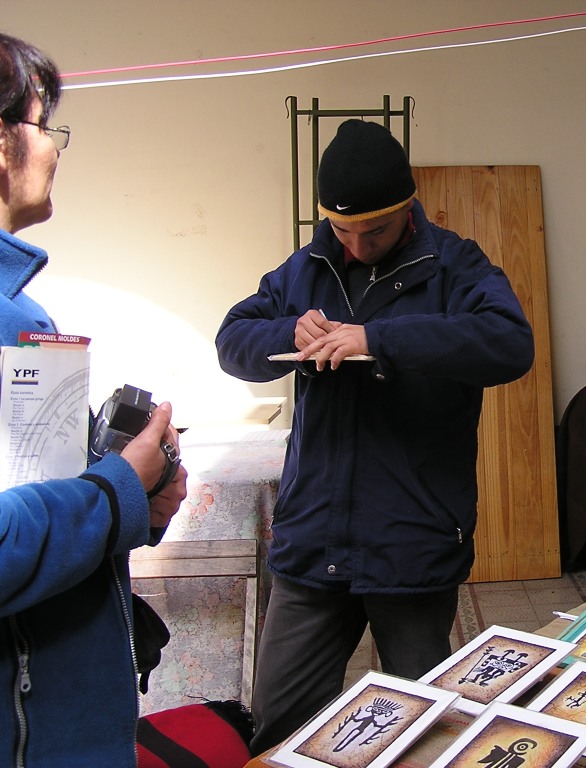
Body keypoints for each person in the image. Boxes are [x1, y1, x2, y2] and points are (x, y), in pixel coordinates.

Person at [216, 118, 534, 753]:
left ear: (408, 208)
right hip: (312, 540)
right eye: (342, 231)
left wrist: (380, 338)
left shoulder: (454, 265)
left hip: (411, 539)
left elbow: (509, 343)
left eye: (376, 231)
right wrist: (287, 333)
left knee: (421, 736)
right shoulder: (304, 269)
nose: (358, 247)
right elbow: (232, 340)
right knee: (279, 731)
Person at [0, 33, 188, 766]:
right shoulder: (11, 323)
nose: (55, 148)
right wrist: (117, 491)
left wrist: (138, 498)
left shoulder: (20, 312)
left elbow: (37, 503)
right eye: (45, 125)